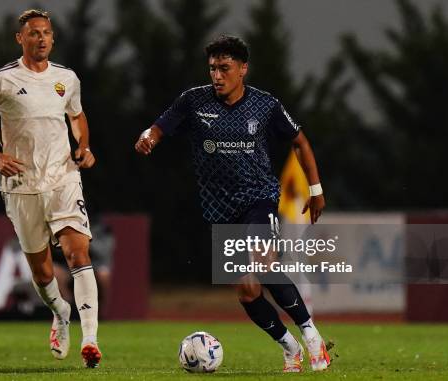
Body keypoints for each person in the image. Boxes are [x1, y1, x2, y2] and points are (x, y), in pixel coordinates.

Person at [134, 35, 330, 373]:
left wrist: (316, 189)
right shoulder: (193, 101)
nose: (217, 76)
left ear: (243, 69)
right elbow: (159, 126)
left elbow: (300, 141)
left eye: (225, 68)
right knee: (246, 289)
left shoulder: (265, 104)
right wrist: (148, 137)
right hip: (221, 211)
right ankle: (290, 347)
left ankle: (312, 336)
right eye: (212, 68)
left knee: (264, 261)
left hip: (260, 198)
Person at [0, 9, 101, 368]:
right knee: (42, 273)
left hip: (63, 178)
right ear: (20, 39)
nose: (41, 38)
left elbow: (77, 115)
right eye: (34, 33)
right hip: (21, 186)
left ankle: (90, 339)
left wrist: (83, 146)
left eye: (47, 33)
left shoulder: (66, 78)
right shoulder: (2, 79)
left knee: (78, 254)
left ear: (53, 39)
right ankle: (60, 312)